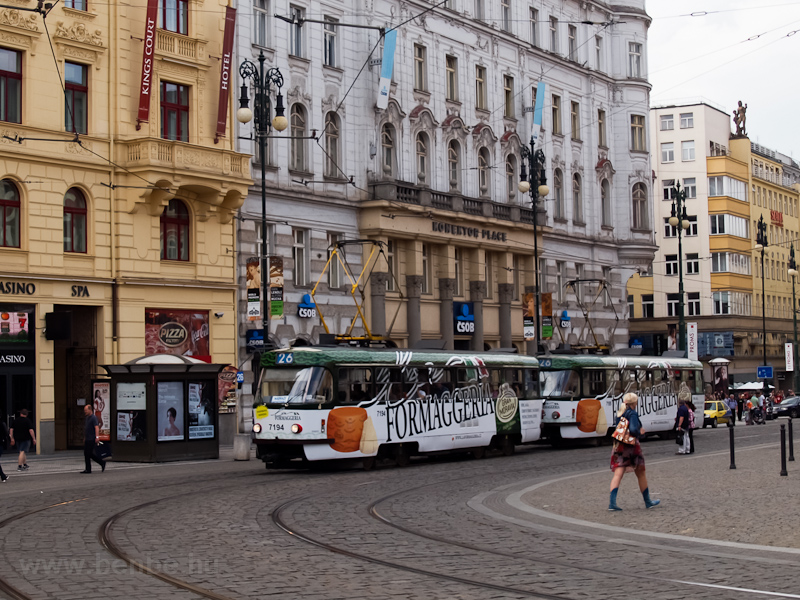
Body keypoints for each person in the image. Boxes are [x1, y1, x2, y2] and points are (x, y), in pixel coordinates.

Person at [608, 393, 661, 511]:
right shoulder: (632, 413)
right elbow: (632, 429)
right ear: (634, 403)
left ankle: (612, 503)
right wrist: (639, 432)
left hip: (620, 446)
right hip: (632, 447)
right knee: (641, 473)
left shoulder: (620, 413)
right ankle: (648, 502)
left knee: (618, 474)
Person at [80, 404, 105, 474]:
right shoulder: (87, 418)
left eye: (86, 410)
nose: (85, 412)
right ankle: (99, 463)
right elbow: (86, 429)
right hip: (88, 438)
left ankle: (92, 467)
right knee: (87, 454)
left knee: (89, 453)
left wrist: (97, 437)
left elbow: (96, 427)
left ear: (90, 410)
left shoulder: (93, 418)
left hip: (92, 438)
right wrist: (85, 437)